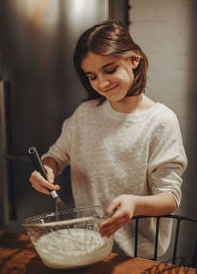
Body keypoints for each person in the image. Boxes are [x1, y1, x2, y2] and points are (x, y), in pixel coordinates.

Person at [29, 20, 187, 258]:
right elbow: (56, 156)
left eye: (110, 69)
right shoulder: (85, 114)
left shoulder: (161, 121)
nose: (102, 83)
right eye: (92, 76)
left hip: (136, 255)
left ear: (134, 60)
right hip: (87, 245)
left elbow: (170, 198)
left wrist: (134, 204)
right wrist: (46, 169)